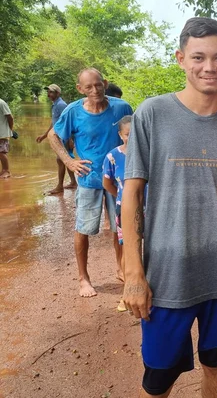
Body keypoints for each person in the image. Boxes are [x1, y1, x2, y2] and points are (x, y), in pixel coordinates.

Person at [122, 17, 217, 398]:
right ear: (180, 59)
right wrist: (134, 272)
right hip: (166, 275)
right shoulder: (152, 114)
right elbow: (131, 195)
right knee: (159, 377)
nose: (208, 67)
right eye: (198, 57)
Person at [48, 68, 133, 297]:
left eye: (98, 85)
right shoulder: (73, 111)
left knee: (120, 228)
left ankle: (122, 268)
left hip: (117, 180)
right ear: (80, 89)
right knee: (83, 228)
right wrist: (69, 161)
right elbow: (53, 136)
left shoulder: (121, 107)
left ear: (105, 83)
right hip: (88, 178)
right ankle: (83, 278)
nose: (95, 90)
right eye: (88, 87)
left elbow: (133, 136)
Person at [103, 115, 133, 311]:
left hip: (152, 209)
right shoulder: (112, 157)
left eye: (135, 134)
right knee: (128, 250)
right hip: (126, 210)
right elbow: (108, 183)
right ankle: (127, 294)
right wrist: (122, 197)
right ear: (121, 135)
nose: (131, 138)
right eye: (127, 134)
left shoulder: (149, 153)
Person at [36, 84, 78, 195]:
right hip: (59, 136)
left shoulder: (61, 105)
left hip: (64, 137)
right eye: (48, 92)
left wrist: (70, 139)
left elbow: (69, 122)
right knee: (65, 159)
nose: (48, 94)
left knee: (61, 160)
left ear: (58, 93)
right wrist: (45, 135)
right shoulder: (55, 105)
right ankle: (73, 182)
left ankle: (60, 187)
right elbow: (55, 123)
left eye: (51, 92)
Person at [0, 98, 13, 179]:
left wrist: (10, 130)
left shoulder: (1, 103)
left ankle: (6, 171)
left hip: (2, 132)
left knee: (1, 152)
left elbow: (10, 117)